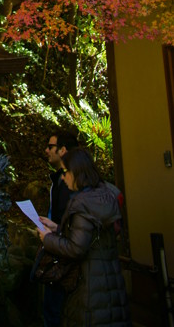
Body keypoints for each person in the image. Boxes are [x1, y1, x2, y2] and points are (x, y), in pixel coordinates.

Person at [38, 148, 131, 327]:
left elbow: (76, 248)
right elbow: (88, 234)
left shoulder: (83, 204)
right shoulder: (103, 195)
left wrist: (47, 239)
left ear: (77, 172)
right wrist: (58, 228)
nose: (63, 178)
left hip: (89, 288)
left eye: (66, 172)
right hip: (109, 283)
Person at [42, 128, 79, 327]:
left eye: (51, 146)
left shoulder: (71, 183)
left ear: (63, 150)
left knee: (56, 310)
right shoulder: (58, 181)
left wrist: (55, 231)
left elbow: (72, 224)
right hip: (59, 247)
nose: (46, 150)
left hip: (64, 253)